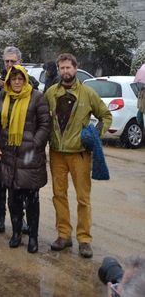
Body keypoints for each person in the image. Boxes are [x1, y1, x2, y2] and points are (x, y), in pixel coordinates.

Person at [45, 52, 112, 258]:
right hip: (57, 152)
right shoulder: (50, 93)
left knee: (83, 198)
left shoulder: (88, 94)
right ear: (59, 70)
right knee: (59, 195)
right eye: (62, 68)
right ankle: (64, 235)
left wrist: (93, 134)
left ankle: (84, 239)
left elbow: (106, 115)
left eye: (68, 67)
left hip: (80, 154)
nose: (65, 71)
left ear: (75, 68)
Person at [0, 65, 51, 253]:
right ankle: (16, 233)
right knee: (13, 199)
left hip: (30, 158)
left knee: (32, 200)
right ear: (8, 81)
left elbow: (45, 125)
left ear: (25, 80)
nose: (16, 82)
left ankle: (33, 237)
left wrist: (34, 144)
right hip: (8, 156)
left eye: (20, 79)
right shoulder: (4, 96)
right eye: (13, 79)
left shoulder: (37, 97)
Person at [0, 46, 32, 234]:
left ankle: (20, 218)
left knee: (20, 184)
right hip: (2, 143)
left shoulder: (28, 84)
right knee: (0, 183)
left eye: (13, 61)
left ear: (20, 62)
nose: (9, 65)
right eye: (6, 61)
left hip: (22, 144)